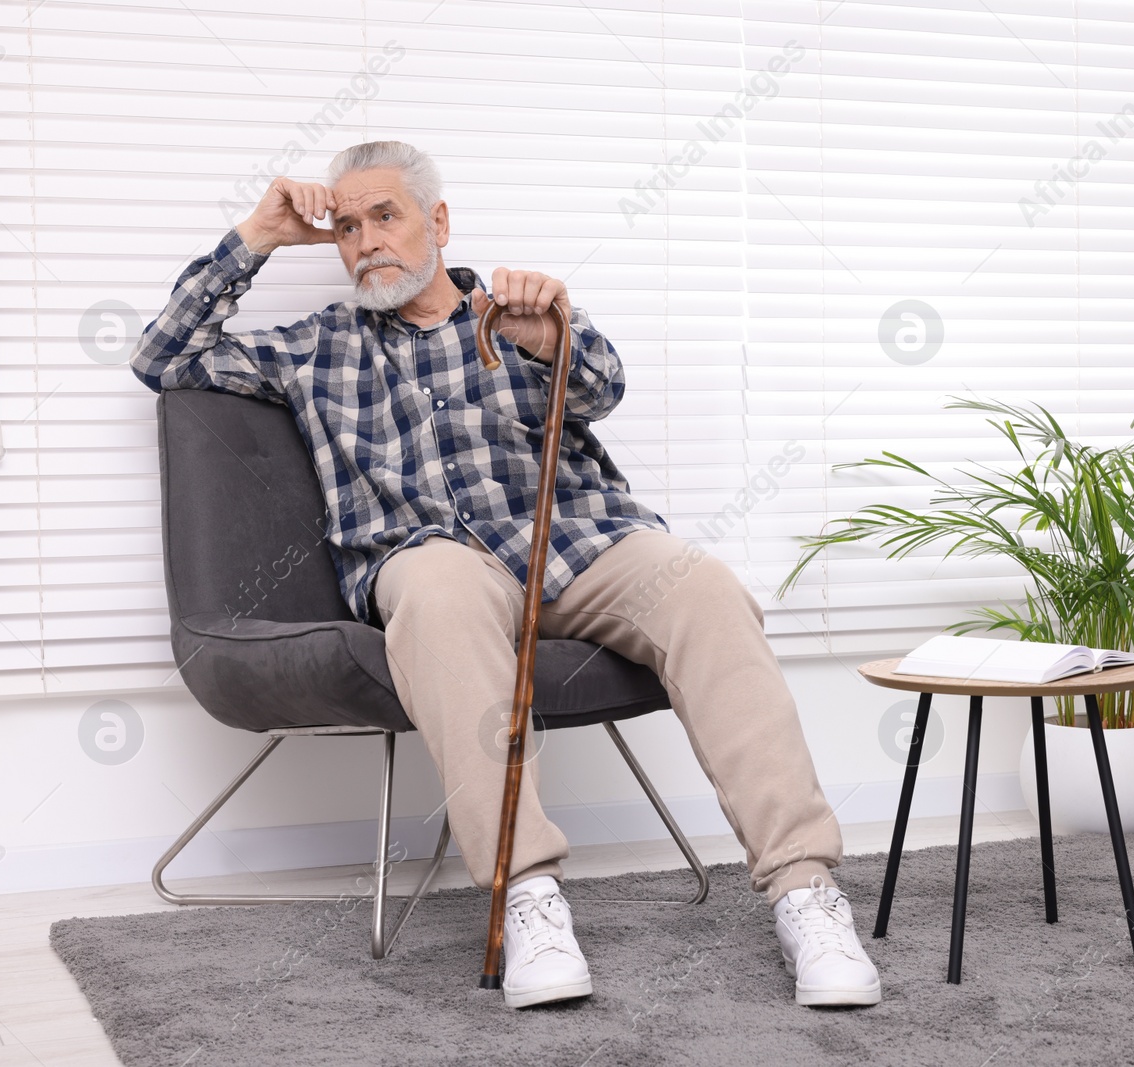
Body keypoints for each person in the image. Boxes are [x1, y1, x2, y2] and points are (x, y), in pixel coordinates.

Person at [130, 140, 881, 1009]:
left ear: (437, 223)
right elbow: (164, 358)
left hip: (576, 545)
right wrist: (259, 234)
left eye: (387, 215)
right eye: (346, 226)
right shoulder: (315, 347)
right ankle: (528, 895)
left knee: (704, 586)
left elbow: (602, 388)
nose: (367, 239)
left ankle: (805, 892)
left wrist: (558, 330)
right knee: (440, 591)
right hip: (432, 560)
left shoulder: (512, 313)